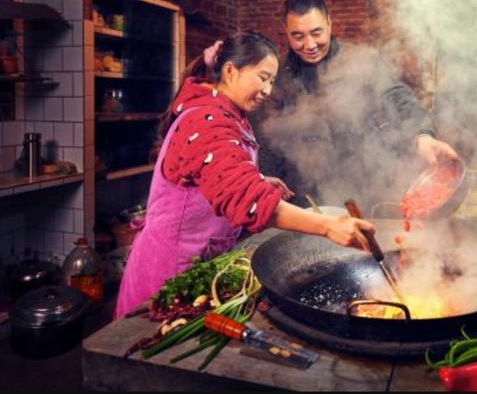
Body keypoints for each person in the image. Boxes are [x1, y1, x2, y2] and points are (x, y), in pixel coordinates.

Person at [114, 31, 375, 319]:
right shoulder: (206, 118)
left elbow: (212, 174)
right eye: (263, 77)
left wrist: (259, 180)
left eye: (272, 81)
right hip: (169, 275)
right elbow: (246, 198)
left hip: (202, 266)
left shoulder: (226, 113)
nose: (268, 89)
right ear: (230, 71)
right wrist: (327, 226)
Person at [244, 0, 459, 211]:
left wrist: (422, 134)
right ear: (286, 33)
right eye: (298, 36)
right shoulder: (278, 79)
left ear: (329, 23)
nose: (309, 45)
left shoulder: (360, 61)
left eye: (316, 33)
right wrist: (271, 193)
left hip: (363, 189)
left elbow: (396, 96)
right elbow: (267, 140)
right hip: (305, 200)